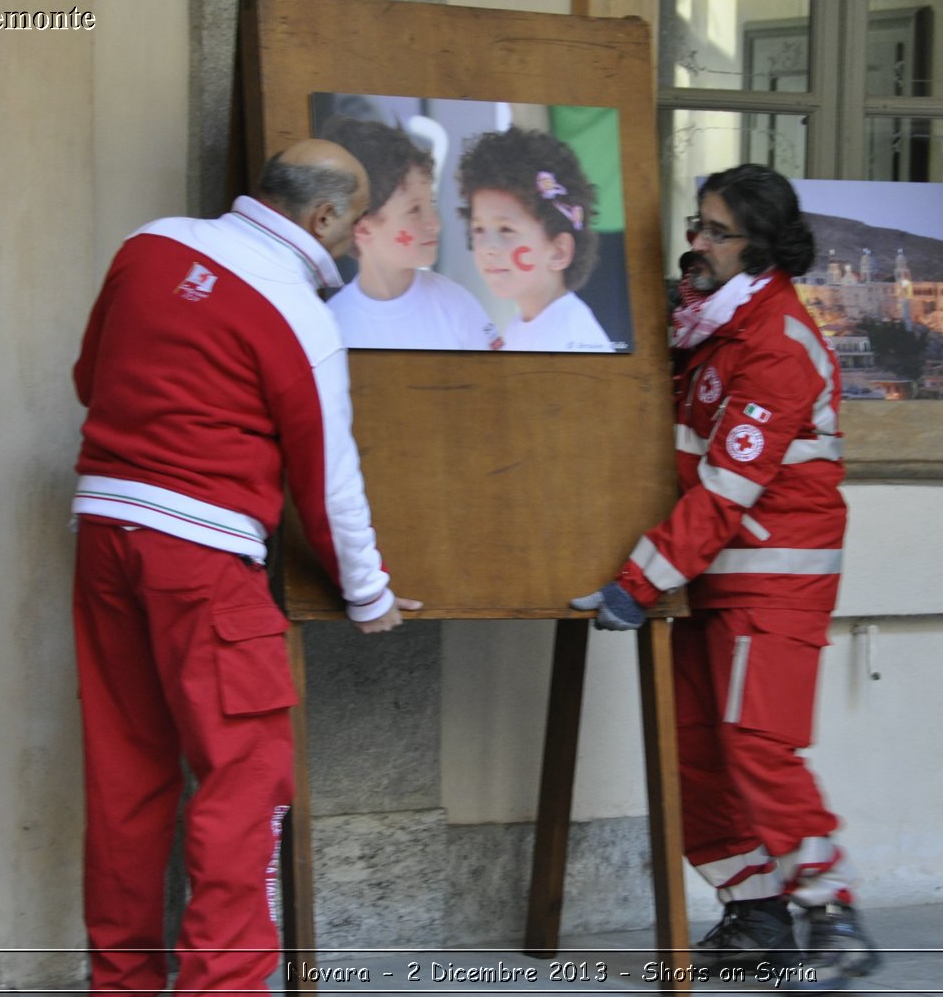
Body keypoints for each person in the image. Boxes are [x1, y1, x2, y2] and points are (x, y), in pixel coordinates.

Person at [70, 139, 421, 995]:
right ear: (325, 216)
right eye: (357, 218)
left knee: (125, 771)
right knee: (245, 777)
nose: (354, 238)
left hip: (103, 531)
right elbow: (328, 482)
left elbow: (90, 379)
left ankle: (122, 983)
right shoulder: (301, 317)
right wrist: (369, 592)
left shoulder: (148, 245)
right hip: (204, 558)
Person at [571, 164, 881, 988]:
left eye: (713, 232)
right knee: (694, 758)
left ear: (759, 248)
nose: (693, 245)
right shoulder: (710, 327)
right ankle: (757, 917)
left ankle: (830, 912)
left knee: (756, 747)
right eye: (696, 225)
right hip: (708, 578)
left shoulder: (775, 343)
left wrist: (634, 583)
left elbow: (725, 487)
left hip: (773, 581)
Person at [319, 116, 501, 350]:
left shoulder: (455, 304)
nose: (435, 223)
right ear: (362, 228)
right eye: (414, 210)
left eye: (431, 204)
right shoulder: (333, 327)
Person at [456, 126, 615, 352]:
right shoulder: (519, 327)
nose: (487, 248)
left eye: (506, 229)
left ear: (559, 251)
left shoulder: (575, 343)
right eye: (479, 229)